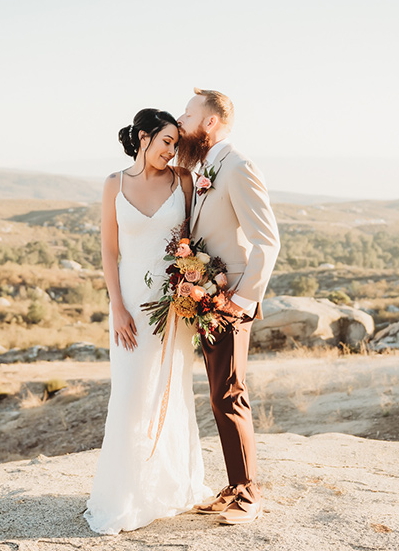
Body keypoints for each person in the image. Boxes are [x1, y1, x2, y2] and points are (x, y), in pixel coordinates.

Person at [84, 108, 211, 535]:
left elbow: (195, 239)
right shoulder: (113, 185)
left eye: (176, 144)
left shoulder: (184, 182)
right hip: (131, 306)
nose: (171, 151)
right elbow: (108, 250)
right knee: (130, 396)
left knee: (171, 392)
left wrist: (196, 281)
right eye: (166, 142)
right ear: (143, 137)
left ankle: (168, 487)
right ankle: (125, 495)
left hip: (174, 304)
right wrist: (116, 305)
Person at [176, 88, 280, 525]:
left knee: (230, 394)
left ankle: (249, 494)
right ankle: (235, 484)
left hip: (230, 301)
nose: (181, 122)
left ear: (210, 122)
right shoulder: (206, 166)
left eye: (188, 114)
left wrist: (240, 300)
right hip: (209, 299)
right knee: (219, 396)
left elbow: (267, 240)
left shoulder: (237, 166)